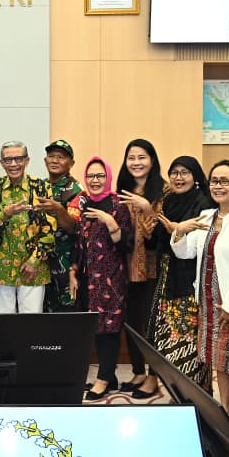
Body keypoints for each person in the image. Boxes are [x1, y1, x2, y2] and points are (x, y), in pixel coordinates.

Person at [169, 159, 229, 433]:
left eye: (225, 181)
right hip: (208, 301)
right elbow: (185, 253)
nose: (218, 186)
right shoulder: (207, 216)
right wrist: (180, 232)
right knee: (219, 359)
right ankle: (225, 409)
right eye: (214, 181)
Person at [67, 158, 132, 400]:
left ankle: (103, 378)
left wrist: (110, 222)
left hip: (111, 278)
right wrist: (73, 271)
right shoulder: (84, 204)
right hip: (87, 278)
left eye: (100, 176)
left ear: (108, 178)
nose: (95, 180)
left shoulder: (117, 205)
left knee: (109, 328)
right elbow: (79, 243)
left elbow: (127, 244)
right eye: (91, 176)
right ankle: (110, 376)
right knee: (95, 326)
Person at [149, 156, 213, 391]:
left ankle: (196, 394)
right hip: (167, 278)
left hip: (189, 281)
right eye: (174, 172)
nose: (178, 177)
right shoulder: (168, 201)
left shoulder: (204, 203)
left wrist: (178, 231)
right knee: (168, 341)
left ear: (195, 176)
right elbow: (159, 238)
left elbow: (199, 247)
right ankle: (177, 393)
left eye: (184, 172)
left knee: (189, 340)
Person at [116, 138, 167, 398]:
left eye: (142, 157)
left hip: (153, 268)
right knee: (132, 321)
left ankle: (154, 376)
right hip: (124, 267)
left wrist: (148, 210)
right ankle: (137, 371)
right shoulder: (122, 190)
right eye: (131, 158)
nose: (136, 163)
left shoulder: (164, 191)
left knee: (152, 324)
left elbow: (165, 233)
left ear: (152, 160)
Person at [0, 141, 55, 314]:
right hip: (2, 268)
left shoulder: (41, 187)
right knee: (2, 325)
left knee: (31, 325)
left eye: (18, 158)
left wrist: (34, 260)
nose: (14, 164)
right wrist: (4, 215)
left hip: (33, 268)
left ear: (27, 160)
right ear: (2, 163)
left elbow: (50, 228)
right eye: (8, 160)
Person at [36, 140, 82, 312]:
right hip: (40, 264)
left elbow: (74, 228)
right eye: (51, 156)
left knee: (65, 318)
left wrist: (59, 211)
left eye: (61, 157)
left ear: (71, 163)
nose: (54, 160)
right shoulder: (38, 186)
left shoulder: (77, 190)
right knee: (39, 315)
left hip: (66, 265)